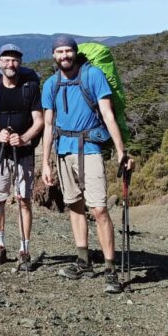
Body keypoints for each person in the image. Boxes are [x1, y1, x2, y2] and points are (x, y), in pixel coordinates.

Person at [40, 35, 134, 293]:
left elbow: (107, 114)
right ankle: (83, 261)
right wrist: (45, 163)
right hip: (62, 151)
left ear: (75, 52)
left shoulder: (93, 76)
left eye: (68, 51)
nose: (64, 56)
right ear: (54, 56)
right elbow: (48, 125)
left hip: (89, 149)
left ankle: (110, 269)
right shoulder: (50, 84)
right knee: (74, 206)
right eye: (59, 52)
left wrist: (120, 151)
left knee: (99, 209)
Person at [0, 43, 44, 271]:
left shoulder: (31, 86)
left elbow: (39, 120)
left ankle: (24, 249)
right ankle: (0, 246)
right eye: (6, 60)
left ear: (21, 62)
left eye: (15, 60)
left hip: (23, 152)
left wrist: (24, 138)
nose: (10, 64)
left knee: (23, 199)